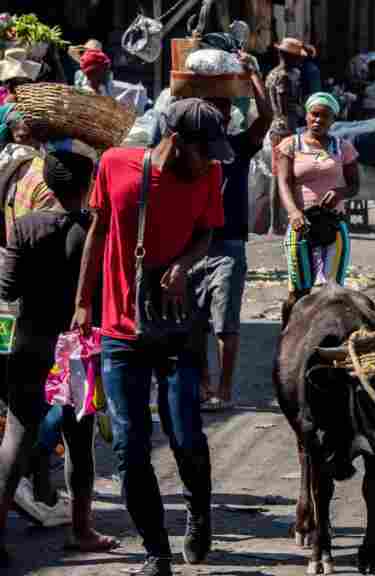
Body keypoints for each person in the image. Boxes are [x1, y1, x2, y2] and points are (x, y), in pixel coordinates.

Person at [73, 98, 229, 576]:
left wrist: (185, 264)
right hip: (121, 328)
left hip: (178, 327)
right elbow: (97, 232)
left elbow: (206, 233)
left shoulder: (207, 176)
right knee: (129, 444)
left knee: (185, 433)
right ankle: (156, 551)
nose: (213, 160)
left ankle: (198, 514)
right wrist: (83, 301)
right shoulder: (114, 165)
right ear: (176, 142)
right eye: (205, 150)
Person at [0, 150, 119, 566]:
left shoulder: (26, 227)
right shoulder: (98, 230)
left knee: (17, 433)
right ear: (88, 186)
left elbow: (8, 289)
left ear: (46, 185)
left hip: (30, 342)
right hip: (80, 348)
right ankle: (82, 530)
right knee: (79, 441)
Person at [195, 62, 272, 412]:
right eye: (214, 107)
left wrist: (253, 74)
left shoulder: (238, 147)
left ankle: (223, 390)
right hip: (191, 246)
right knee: (194, 325)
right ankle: (202, 385)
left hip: (227, 245)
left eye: (226, 107)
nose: (221, 113)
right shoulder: (190, 150)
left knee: (225, 323)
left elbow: (266, 117)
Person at [276, 93, 360, 326]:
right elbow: (283, 182)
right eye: (314, 114)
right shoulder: (290, 145)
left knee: (331, 292)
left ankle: (324, 340)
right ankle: (287, 337)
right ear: (307, 114)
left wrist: (340, 192)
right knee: (299, 292)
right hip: (301, 225)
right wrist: (293, 212)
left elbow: (354, 185)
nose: (318, 120)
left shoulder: (343, 148)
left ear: (333, 119)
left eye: (325, 116)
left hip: (334, 225)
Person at [266, 37, 312, 145]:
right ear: (288, 57)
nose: (301, 60)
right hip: (284, 129)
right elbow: (284, 108)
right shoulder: (284, 77)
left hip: (276, 124)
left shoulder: (273, 72)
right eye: (298, 57)